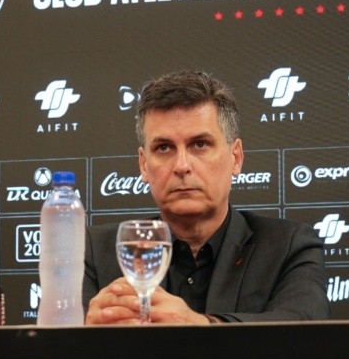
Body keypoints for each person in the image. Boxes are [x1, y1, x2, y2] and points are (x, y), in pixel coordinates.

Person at [83, 70, 329, 324]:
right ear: (144, 165)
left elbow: (304, 324)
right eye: (164, 148)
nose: (181, 165)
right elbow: (60, 348)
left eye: (199, 144)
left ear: (236, 157)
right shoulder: (95, 251)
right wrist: (83, 333)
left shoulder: (291, 246)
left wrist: (199, 325)